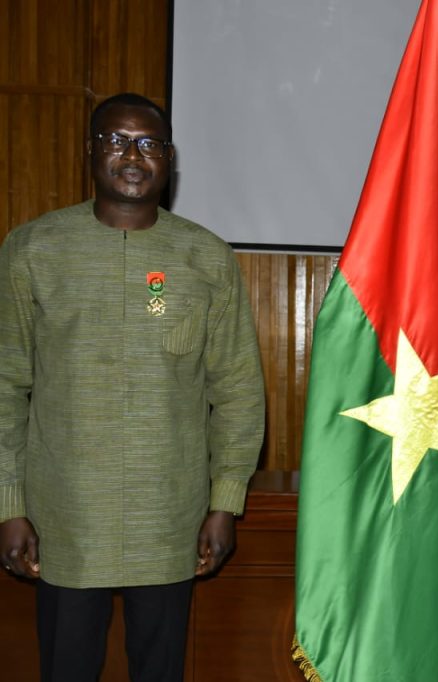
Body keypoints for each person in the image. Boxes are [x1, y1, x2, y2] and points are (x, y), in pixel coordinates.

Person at [0, 93, 265, 681]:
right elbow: (5, 383)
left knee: (160, 670)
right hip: (65, 517)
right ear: (90, 152)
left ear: (169, 159)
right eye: (116, 141)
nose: (132, 156)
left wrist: (225, 502)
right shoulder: (33, 249)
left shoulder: (204, 257)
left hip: (170, 517)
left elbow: (238, 390)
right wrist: (9, 505)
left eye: (149, 144)